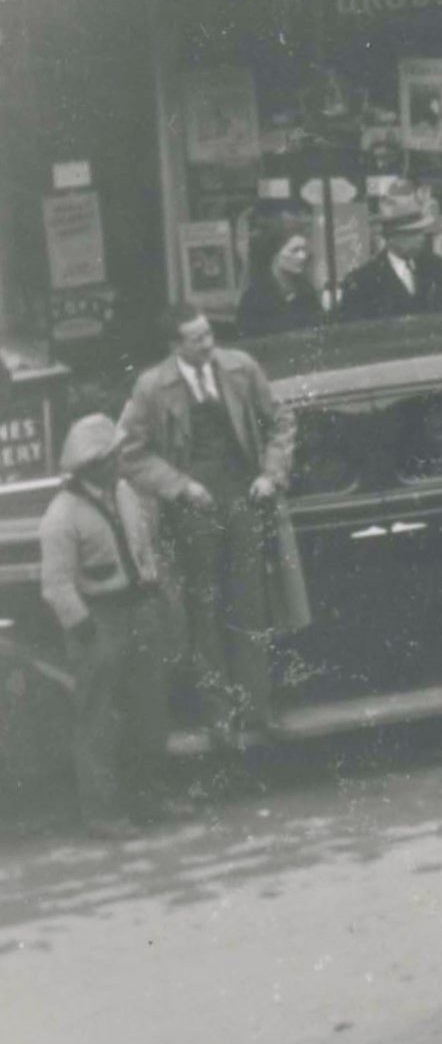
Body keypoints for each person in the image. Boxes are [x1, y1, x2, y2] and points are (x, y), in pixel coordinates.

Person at [118, 305, 308, 753]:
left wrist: (271, 474)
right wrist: (181, 486)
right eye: (197, 339)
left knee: (251, 605)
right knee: (205, 611)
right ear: (175, 345)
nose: (209, 344)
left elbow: (282, 421)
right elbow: (130, 453)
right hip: (192, 512)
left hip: (244, 500)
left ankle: (259, 711)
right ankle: (219, 719)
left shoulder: (241, 368)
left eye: (208, 335)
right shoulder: (151, 387)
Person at [42, 414, 183, 840]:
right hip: (98, 620)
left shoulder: (123, 493)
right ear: (94, 463)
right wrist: (84, 630)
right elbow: (56, 584)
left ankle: (151, 798)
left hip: (138, 611)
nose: (120, 459)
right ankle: (104, 814)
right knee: (98, 721)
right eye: (112, 455)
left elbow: (143, 546)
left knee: (150, 711)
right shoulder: (61, 516)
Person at [337, 181, 442, 322]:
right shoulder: (362, 281)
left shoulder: (436, 267)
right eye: (413, 233)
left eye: (421, 232)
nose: (421, 238)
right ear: (391, 237)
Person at [235, 227, 323, 339]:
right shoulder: (255, 297)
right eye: (295, 250)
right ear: (275, 254)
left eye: (304, 250)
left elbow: (318, 327)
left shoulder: (307, 292)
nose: (302, 256)